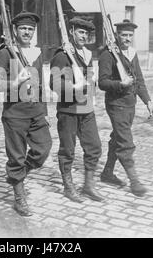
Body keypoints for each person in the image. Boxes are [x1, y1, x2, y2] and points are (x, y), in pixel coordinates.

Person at [0, 11, 52, 217]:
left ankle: (17, 174)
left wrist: (45, 112)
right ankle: (19, 196)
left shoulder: (36, 53)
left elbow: (40, 86)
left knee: (43, 148)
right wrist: (14, 83)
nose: (27, 32)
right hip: (15, 114)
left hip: (36, 112)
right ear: (14, 30)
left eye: (30, 29)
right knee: (16, 155)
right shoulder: (6, 52)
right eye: (23, 28)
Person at [50, 17, 104, 203]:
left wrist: (92, 83)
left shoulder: (87, 54)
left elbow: (90, 81)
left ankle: (88, 185)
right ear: (71, 32)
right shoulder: (62, 55)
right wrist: (73, 87)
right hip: (68, 110)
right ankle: (68, 187)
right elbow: (54, 83)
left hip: (86, 108)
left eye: (86, 33)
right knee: (68, 150)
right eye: (80, 32)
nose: (84, 36)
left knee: (94, 146)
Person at [98, 19, 153, 197]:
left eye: (130, 35)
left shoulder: (132, 53)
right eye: (124, 35)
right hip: (116, 104)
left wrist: (147, 101)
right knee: (126, 142)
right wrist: (120, 84)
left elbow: (139, 79)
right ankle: (135, 182)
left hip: (130, 104)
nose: (127, 38)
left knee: (118, 138)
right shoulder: (108, 54)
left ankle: (107, 173)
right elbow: (102, 82)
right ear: (117, 35)